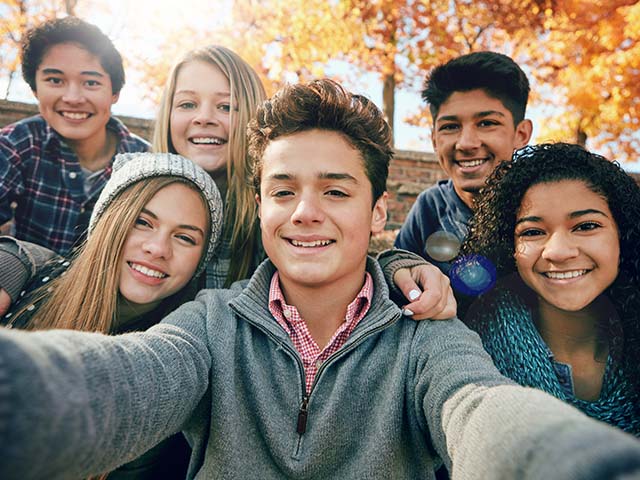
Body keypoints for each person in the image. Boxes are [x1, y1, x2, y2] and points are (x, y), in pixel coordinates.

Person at [1, 80, 640, 480]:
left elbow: (478, 410)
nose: (306, 211)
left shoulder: (427, 337)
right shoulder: (209, 322)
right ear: (262, 206)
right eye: (284, 191)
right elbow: (124, 380)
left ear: (377, 213)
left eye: (335, 190)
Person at [2, 151, 223, 478]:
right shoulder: (28, 278)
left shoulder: (172, 360)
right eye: (143, 222)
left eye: (185, 237)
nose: (158, 248)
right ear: (108, 220)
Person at [457, 143, 640, 436]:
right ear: (510, 248)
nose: (558, 251)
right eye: (532, 232)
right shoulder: (466, 348)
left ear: (624, 235)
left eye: (586, 226)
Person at [0, 17, 149, 255]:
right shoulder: (17, 144)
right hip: (25, 283)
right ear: (35, 89)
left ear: (115, 93)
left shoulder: (145, 161)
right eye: (55, 80)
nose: (73, 97)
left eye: (91, 82)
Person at [393, 51, 533, 273]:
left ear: (521, 134)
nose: (466, 144)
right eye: (450, 127)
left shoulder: (543, 203)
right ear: (434, 140)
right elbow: (396, 277)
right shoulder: (430, 210)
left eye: (487, 123)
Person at [152, 45, 266, 288]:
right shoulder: (134, 196)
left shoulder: (267, 218)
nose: (204, 117)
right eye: (187, 104)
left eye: (225, 107)